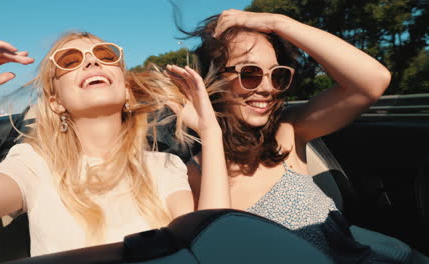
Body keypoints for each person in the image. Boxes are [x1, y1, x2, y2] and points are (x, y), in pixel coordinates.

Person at [175, 9, 418, 263]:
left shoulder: (287, 131)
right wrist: (211, 133)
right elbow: (216, 249)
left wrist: (277, 22)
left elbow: (373, 80)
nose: (268, 88)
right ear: (212, 78)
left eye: (277, 74)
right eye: (249, 73)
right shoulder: (196, 173)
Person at [0, 32, 229, 256]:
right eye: (70, 60)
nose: (91, 62)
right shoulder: (36, 164)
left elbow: (212, 246)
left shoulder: (165, 166)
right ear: (56, 103)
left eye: (106, 55)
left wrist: (212, 134)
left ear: (125, 89)